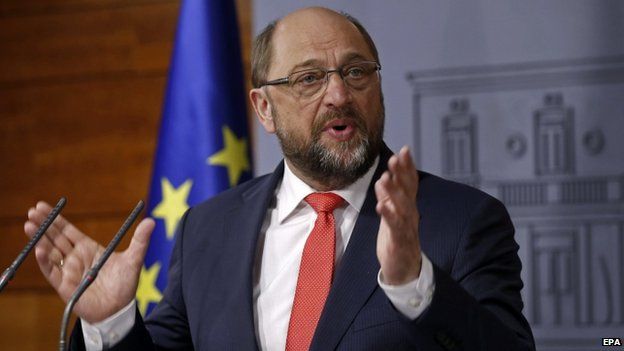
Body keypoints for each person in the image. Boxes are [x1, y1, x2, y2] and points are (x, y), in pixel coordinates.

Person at [25, 7, 535, 351]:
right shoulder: (209, 228)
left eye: (356, 72)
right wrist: (113, 321)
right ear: (263, 108)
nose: (339, 94)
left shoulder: (461, 220)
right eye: (309, 79)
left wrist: (414, 284)